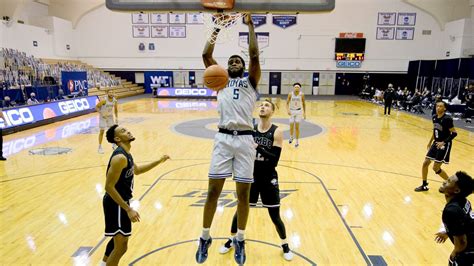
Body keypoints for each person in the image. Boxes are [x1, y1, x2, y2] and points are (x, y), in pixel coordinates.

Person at [196, 13, 261, 265]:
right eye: (231, 60)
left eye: (238, 60)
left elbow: (255, 56)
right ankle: (204, 237)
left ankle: (240, 239)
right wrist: (217, 27)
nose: (234, 61)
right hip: (223, 139)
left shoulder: (250, 82)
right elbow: (205, 56)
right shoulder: (219, 81)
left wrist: (251, 26)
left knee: (243, 196)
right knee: (212, 192)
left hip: (245, 140)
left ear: (243, 67)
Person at [219, 99, 294, 261]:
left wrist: (258, 147)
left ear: (272, 111)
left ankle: (285, 245)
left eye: (267, 105)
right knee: (240, 211)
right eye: (261, 105)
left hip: (268, 178)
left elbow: (274, 161)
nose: (262, 107)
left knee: (275, 215)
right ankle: (232, 239)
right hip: (250, 177)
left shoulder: (277, 132)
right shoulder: (250, 129)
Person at [101, 125, 170, 265]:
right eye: (123, 131)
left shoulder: (127, 154)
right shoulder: (119, 157)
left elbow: (137, 170)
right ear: (117, 139)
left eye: (126, 129)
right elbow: (108, 187)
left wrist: (159, 161)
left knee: (119, 244)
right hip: (116, 204)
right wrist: (128, 209)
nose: (128, 131)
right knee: (121, 247)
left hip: (121, 202)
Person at [415, 101, 457, 192]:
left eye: (440, 106)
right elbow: (435, 131)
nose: (438, 108)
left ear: (444, 108)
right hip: (435, 143)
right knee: (425, 163)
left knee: (436, 168)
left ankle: (452, 185)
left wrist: (443, 142)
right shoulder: (434, 117)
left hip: (444, 144)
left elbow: (454, 133)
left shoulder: (447, 119)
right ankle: (424, 185)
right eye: (437, 106)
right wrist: (430, 142)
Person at [435, 171, 474, 265]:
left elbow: (462, 242)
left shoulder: (451, 211)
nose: (444, 182)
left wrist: (455, 253)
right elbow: (465, 223)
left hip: (468, 253)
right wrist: (448, 233)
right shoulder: (464, 201)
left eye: (448, 181)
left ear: (456, 190)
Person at [96, 89, 118, 154]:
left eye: (112, 92)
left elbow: (116, 110)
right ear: (107, 93)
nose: (111, 93)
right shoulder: (104, 100)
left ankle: (114, 144)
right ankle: (99, 147)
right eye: (110, 92)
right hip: (103, 117)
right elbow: (96, 107)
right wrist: (102, 113)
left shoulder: (115, 100)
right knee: (102, 132)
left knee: (112, 131)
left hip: (110, 117)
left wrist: (116, 117)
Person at [286, 82, 306, 147]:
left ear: (300, 88)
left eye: (298, 87)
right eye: (295, 87)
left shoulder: (302, 94)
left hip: (299, 111)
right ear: (293, 88)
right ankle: (291, 137)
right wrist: (288, 110)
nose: (296, 88)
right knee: (291, 126)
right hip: (292, 111)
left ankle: (297, 141)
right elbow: (287, 103)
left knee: (297, 127)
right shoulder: (290, 94)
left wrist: (304, 113)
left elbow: (304, 104)